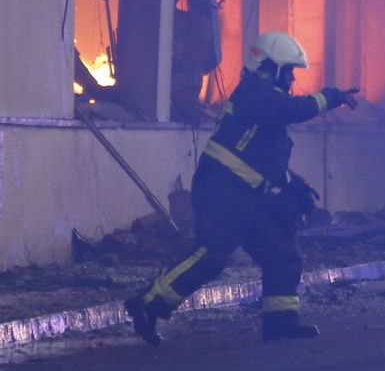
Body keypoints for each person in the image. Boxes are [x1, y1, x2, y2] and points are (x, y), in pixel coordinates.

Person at [125, 31, 359, 344]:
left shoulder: (265, 104)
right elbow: (293, 110)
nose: (290, 79)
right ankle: (147, 304)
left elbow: (263, 157)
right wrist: (332, 97)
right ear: (269, 67)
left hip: (247, 196)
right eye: (287, 70)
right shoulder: (255, 92)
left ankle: (281, 324)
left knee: (283, 254)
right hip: (223, 192)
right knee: (212, 255)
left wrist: (293, 184)